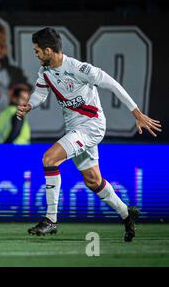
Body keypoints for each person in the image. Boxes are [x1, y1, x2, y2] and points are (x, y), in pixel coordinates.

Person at [16, 27, 162, 242]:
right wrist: (30, 105)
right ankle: (126, 214)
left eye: (37, 50)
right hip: (75, 130)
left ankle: (50, 220)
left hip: (91, 126)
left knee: (49, 158)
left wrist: (137, 113)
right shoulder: (45, 72)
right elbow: (40, 92)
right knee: (93, 181)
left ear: (48, 50)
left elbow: (113, 84)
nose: (35, 54)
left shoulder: (78, 68)